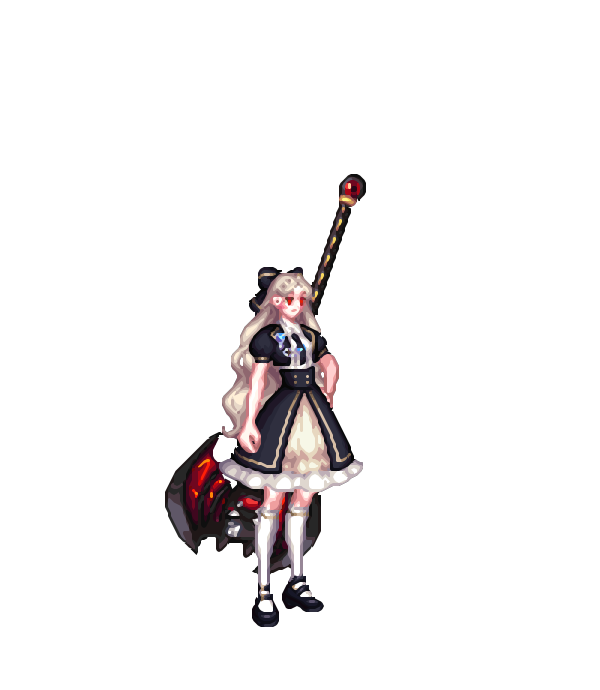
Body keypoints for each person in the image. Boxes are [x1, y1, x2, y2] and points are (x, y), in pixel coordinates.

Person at [220, 270, 363, 626]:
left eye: (301, 299)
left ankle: (297, 580)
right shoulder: (267, 338)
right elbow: (257, 381)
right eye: (289, 299)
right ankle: (264, 588)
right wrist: (249, 422)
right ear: (275, 301)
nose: (296, 305)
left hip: (312, 414)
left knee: (302, 502)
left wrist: (330, 381)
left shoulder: (312, 336)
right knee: (272, 502)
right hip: (282, 414)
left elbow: (329, 360)